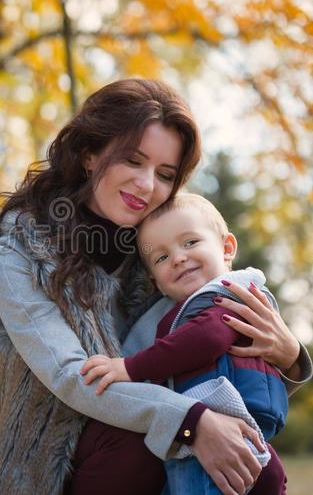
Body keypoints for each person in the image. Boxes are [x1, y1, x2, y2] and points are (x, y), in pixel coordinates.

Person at [0, 78, 313, 495]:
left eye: (164, 173)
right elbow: (72, 378)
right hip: (47, 470)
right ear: (90, 154)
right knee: (140, 444)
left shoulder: (164, 250)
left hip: (163, 449)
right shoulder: (17, 255)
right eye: (133, 161)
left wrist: (288, 356)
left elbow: (216, 361)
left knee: (252, 467)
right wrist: (192, 422)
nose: (147, 185)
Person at [81, 193, 290, 494]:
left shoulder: (228, 294)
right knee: (265, 478)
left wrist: (130, 367)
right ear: (156, 282)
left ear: (227, 248)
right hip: (235, 426)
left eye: (191, 242)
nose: (178, 257)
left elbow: (205, 339)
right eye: (162, 257)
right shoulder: (180, 311)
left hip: (225, 414)